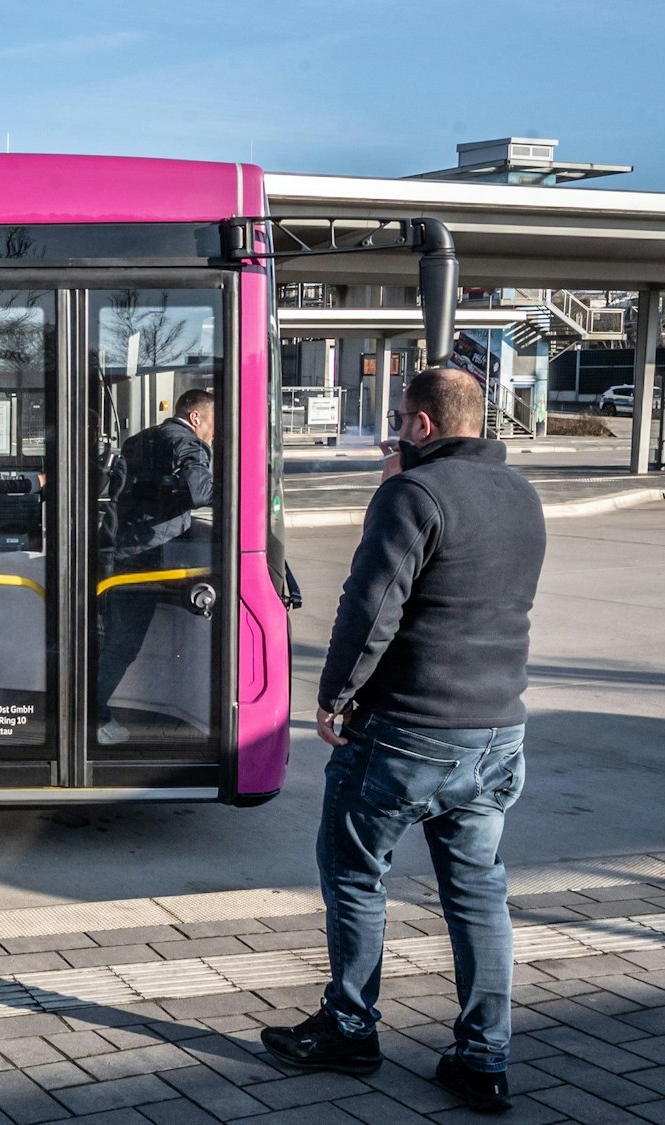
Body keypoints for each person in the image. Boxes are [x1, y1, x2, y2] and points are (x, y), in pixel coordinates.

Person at [261, 367, 546, 1115]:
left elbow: (371, 607)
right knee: (478, 892)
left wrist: (334, 698)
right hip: (497, 733)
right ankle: (483, 1058)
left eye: (397, 421)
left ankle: (351, 1025)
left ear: (421, 426)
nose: (391, 434)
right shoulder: (522, 494)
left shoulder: (413, 495)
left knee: (355, 874)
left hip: (408, 733)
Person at [95, 388, 216, 744]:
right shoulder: (187, 442)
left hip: (121, 550)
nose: (214, 431)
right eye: (212, 422)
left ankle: (94, 711)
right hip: (149, 558)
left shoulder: (139, 440)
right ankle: (94, 717)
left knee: (112, 641)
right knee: (122, 645)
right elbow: (199, 491)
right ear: (195, 417)